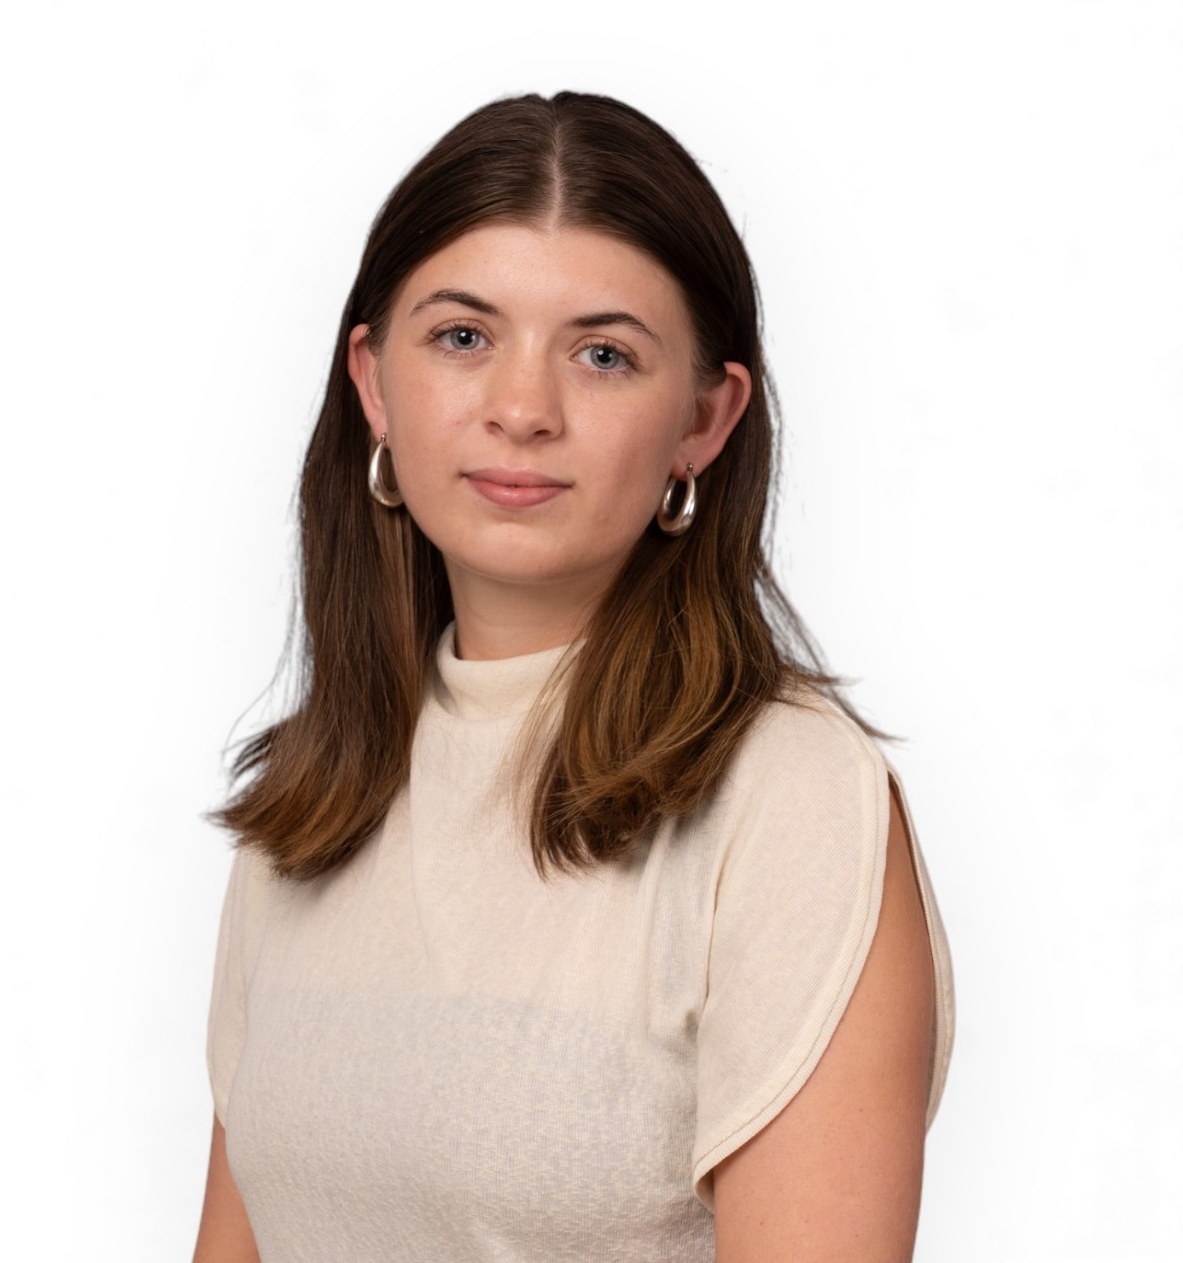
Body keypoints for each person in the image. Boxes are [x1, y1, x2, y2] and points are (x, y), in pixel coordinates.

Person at [191, 91, 953, 1263]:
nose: (520, 409)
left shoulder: (788, 798)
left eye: (602, 354)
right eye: (461, 336)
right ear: (374, 382)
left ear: (704, 418)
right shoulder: (310, 801)